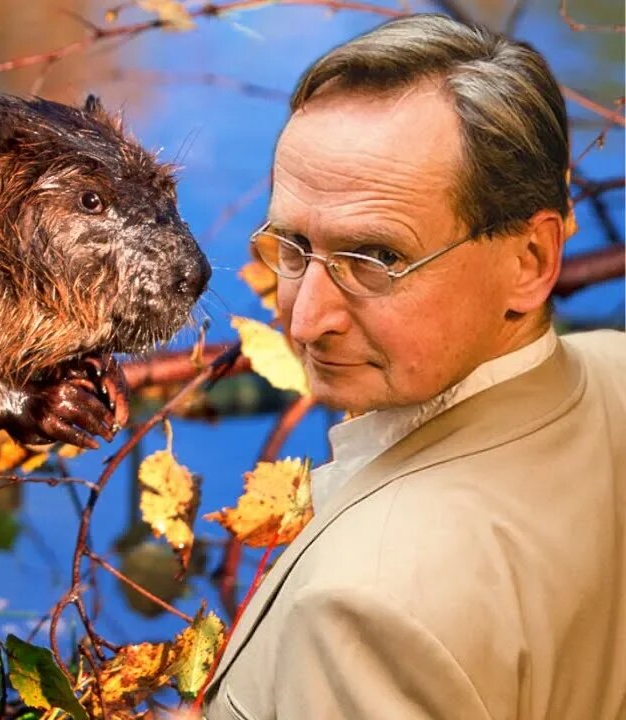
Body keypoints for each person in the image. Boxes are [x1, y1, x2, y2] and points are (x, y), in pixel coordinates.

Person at [202, 14, 626, 720]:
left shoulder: (366, 604)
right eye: (292, 246)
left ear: (532, 262)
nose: (304, 319)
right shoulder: (616, 374)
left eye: (376, 259)